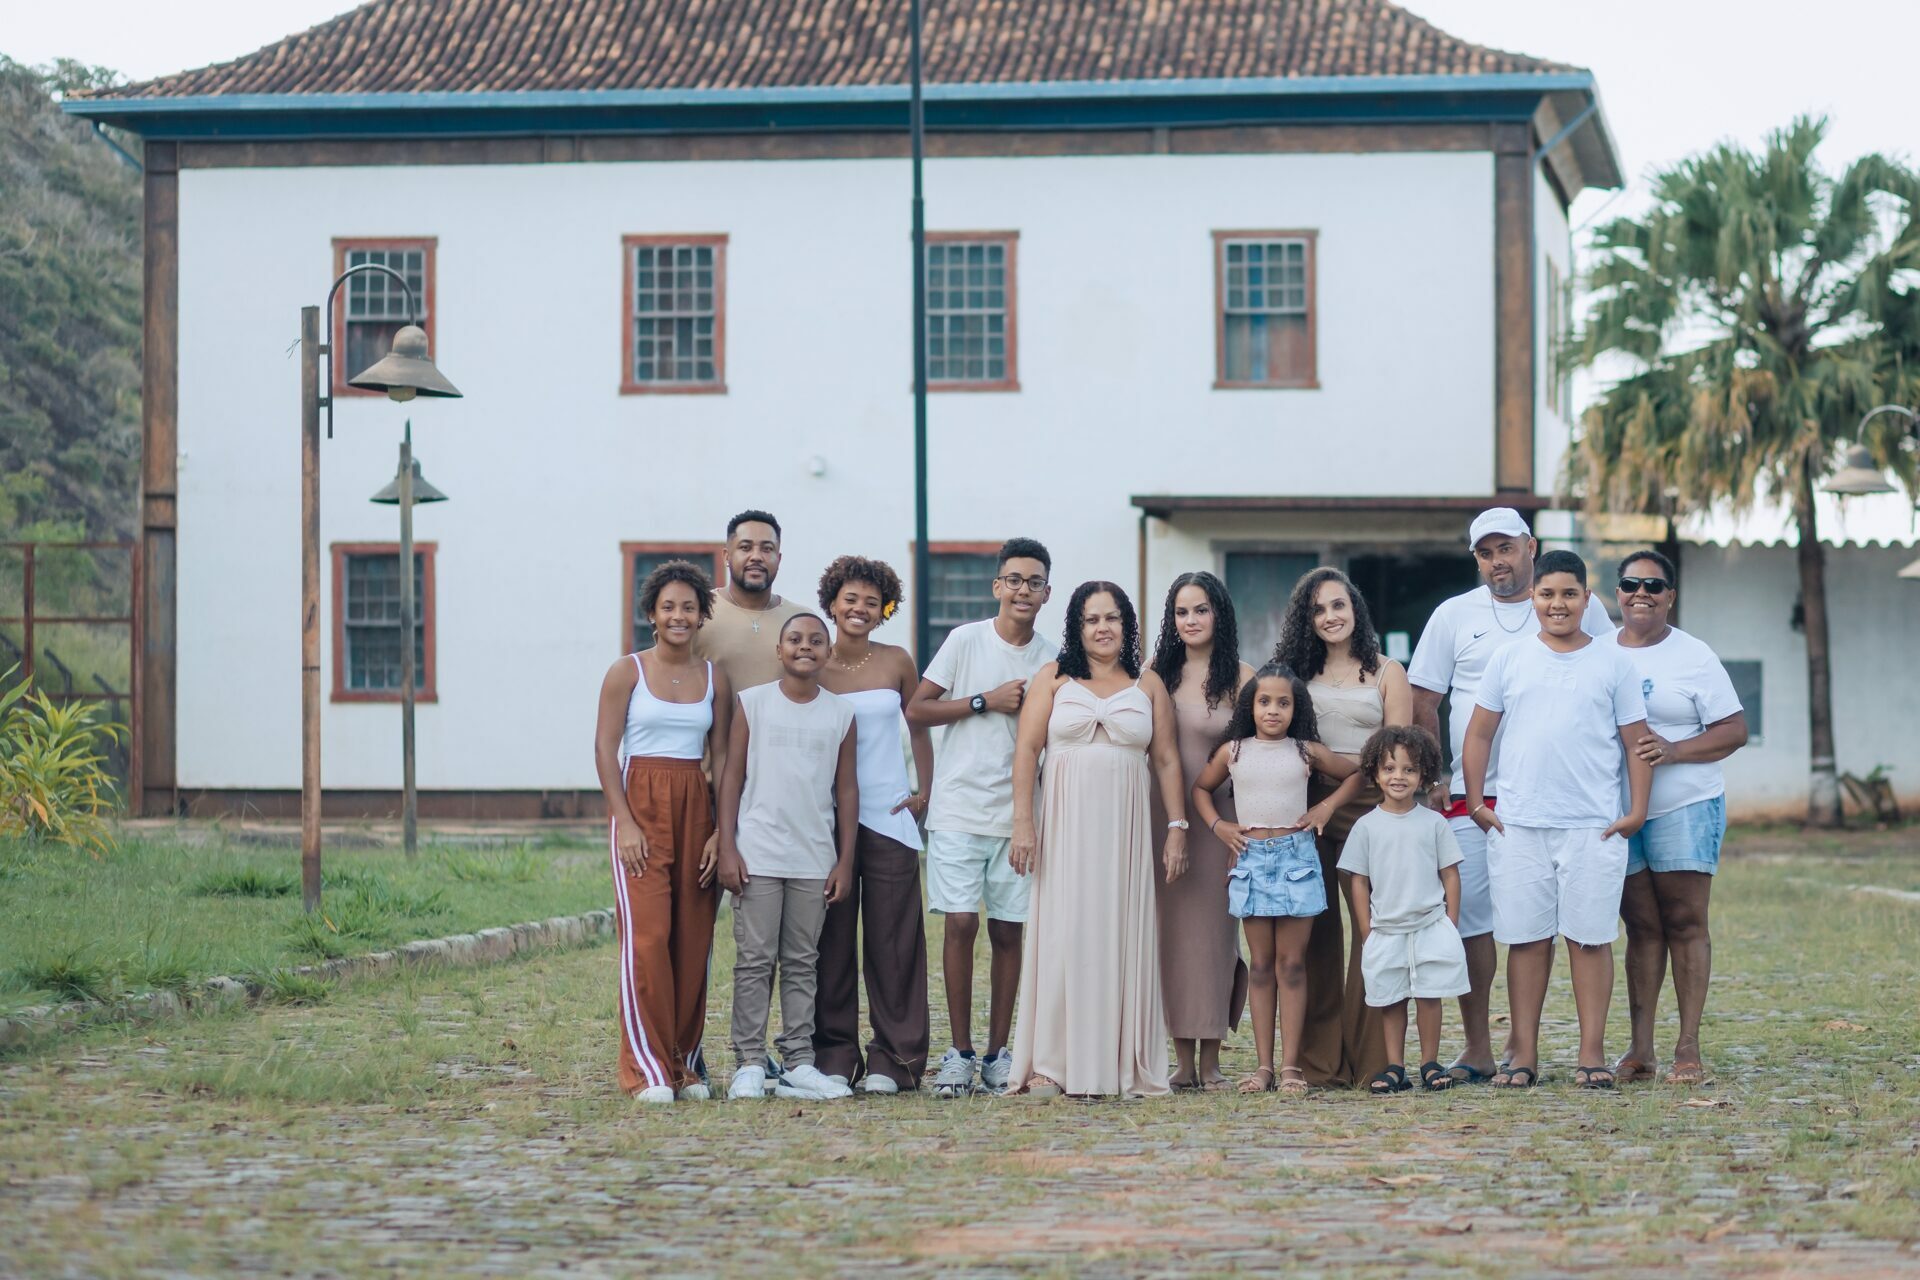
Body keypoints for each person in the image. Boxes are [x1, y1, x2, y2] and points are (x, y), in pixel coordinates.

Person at [1406, 508, 1614, 1085]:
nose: (1497, 561)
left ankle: (1567, 1050)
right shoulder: (1454, 615)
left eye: (1507, 548)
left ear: (1531, 546)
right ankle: (1478, 1046)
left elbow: (1610, 678)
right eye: (1485, 552)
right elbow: (1425, 699)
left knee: (1572, 926)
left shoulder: (1580, 605)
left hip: (1564, 797)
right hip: (1475, 797)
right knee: (1474, 922)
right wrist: (1435, 776)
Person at [1461, 550, 1651, 1090]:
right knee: (1526, 940)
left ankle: (1592, 1054)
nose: (1557, 604)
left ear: (1588, 599)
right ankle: (1523, 1053)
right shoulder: (1510, 659)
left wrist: (1636, 812)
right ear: (1532, 598)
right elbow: (1479, 733)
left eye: (1569, 593)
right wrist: (1476, 803)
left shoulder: (1614, 662)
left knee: (1590, 939)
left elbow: (1636, 743)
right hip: (1520, 823)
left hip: (1593, 824)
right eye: (1547, 594)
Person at [1007, 581, 1189, 1098]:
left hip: (1125, 830)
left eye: (1112, 618)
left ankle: (1117, 1058)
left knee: (1120, 932)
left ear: (1127, 625)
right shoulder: (1054, 678)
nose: (1102, 628)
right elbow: (1027, 751)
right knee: (1062, 933)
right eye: (1091, 619)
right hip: (1064, 825)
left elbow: (1167, 760)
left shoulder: (1148, 684)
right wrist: (1023, 822)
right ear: (1077, 626)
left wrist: (1177, 828)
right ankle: (1050, 1063)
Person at [906, 537, 1055, 1097]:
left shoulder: (1053, 658)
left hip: (1019, 817)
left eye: (1034, 582)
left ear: (1047, 593)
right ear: (997, 586)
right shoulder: (966, 640)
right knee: (961, 923)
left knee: (1009, 931)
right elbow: (917, 709)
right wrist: (983, 700)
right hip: (959, 809)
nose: (1023, 590)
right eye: (1013, 579)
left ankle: (997, 1055)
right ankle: (960, 1053)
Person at [1601, 549, 1748, 1086]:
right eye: (1630, 584)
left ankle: (1688, 1047)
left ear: (1670, 596)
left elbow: (1734, 730)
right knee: (1641, 927)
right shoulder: (1598, 651)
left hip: (1685, 805)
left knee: (1685, 923)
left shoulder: (1693, 655)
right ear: (1617, 593)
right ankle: (1640, 1050)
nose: (1641, 593)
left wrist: (1675, 750)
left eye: (1654, 586)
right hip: (1618, 811)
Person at [592, 560, 733, 1103]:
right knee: (648, 940)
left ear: (701, 615)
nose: (679, 616)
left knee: (693, 942)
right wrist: (624, 822)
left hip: (697, 808)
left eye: (689, 607)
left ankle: (683, 1064)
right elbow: (606, 749)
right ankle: (646, 1070)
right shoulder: (626, 672)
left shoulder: (714, 678)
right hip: (642, 807)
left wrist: (722, 831)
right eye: (668, 606)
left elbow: (721, 758)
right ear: (651, 613)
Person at [1191, 664, 1361, 1094]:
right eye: (1264, 701)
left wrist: (1326, 808)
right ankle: (1263, 1067)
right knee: (1262, 965)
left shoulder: (1306, 751)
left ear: (1295, 708)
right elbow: (1200, 789)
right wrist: (1219, 827)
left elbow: (1356, 775)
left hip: (1296, 860)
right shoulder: (1233, 751)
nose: (1273, 710)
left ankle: (1291, 1068)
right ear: (1249, 706)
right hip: (1250, 861)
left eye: (1283, 703)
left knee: (1292, 965)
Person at [1274, 567, 1412, 1087]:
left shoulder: (1387, 672)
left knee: (1373, 933)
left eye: (1338, 605)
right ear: (1305, 620)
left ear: (1355, 608)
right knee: (1315, 936)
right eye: (1317, 610)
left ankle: (1374, 1061)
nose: (1329, 616)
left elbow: (1394, 755)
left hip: (1370, 810)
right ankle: (1318, 1064)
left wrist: (1336, 796)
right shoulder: (1294, 673)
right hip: (1304, 810)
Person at [714, 612, 859, 1102]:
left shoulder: (841, 714)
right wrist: (727, 845)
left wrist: (844, 860)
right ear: (779, 650)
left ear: (828, 653)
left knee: (802, 962)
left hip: (813, 858)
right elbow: (732, 777)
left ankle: (798, 1061)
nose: (805, 647)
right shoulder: (753, 703)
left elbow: (847, 790)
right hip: (757, 854)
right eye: (794, 639)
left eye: (816, 640)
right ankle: (750, 1063)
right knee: (755, 961)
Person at [812, 556, 934, 1094]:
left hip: (889, 816)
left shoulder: (897, 661)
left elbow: (919, 725)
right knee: (831, 942)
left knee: (893, 942)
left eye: (871, 601)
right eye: (850, 599)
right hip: (825, 820)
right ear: (832, 603)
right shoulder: (813, 660)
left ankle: (896, 1059)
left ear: (884, 609)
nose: (859, 609)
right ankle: (833, 1055)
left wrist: (924, 789)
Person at [1145, 571, 1253, 1090]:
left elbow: (1256, 757)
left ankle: (1210, 1061)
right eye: (1181, 612)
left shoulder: (1243, 678)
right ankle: (1180, 1061)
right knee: (1169, 938)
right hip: (1160, 818)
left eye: (1201, 610)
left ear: (1219, 614)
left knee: (1214, 939)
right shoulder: (1154, 676)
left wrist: (1243, 830)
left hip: (1220, 824)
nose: (1191, 620)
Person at [1340, 725, 1470, 1095]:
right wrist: (1366, 930)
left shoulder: (1433, 823)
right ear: (1375, 772)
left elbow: (1450, 873)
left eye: (1409, 769)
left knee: (1430, 995)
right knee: (1391, 999)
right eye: (1390, 768)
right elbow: (1359, 881)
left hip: (1430, 925)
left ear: (1423, 774)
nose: (1399, 776)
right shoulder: (1366, 827)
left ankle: (1430, 1063)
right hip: (1385, 929)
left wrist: (1450, 922)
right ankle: (1395, 1067)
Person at [694, 509, 789, 691]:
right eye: (745, 548)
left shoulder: (801, 620)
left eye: (767, 549)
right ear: (726, 556)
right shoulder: (697, 612)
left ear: (778, 559)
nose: (756, 557)